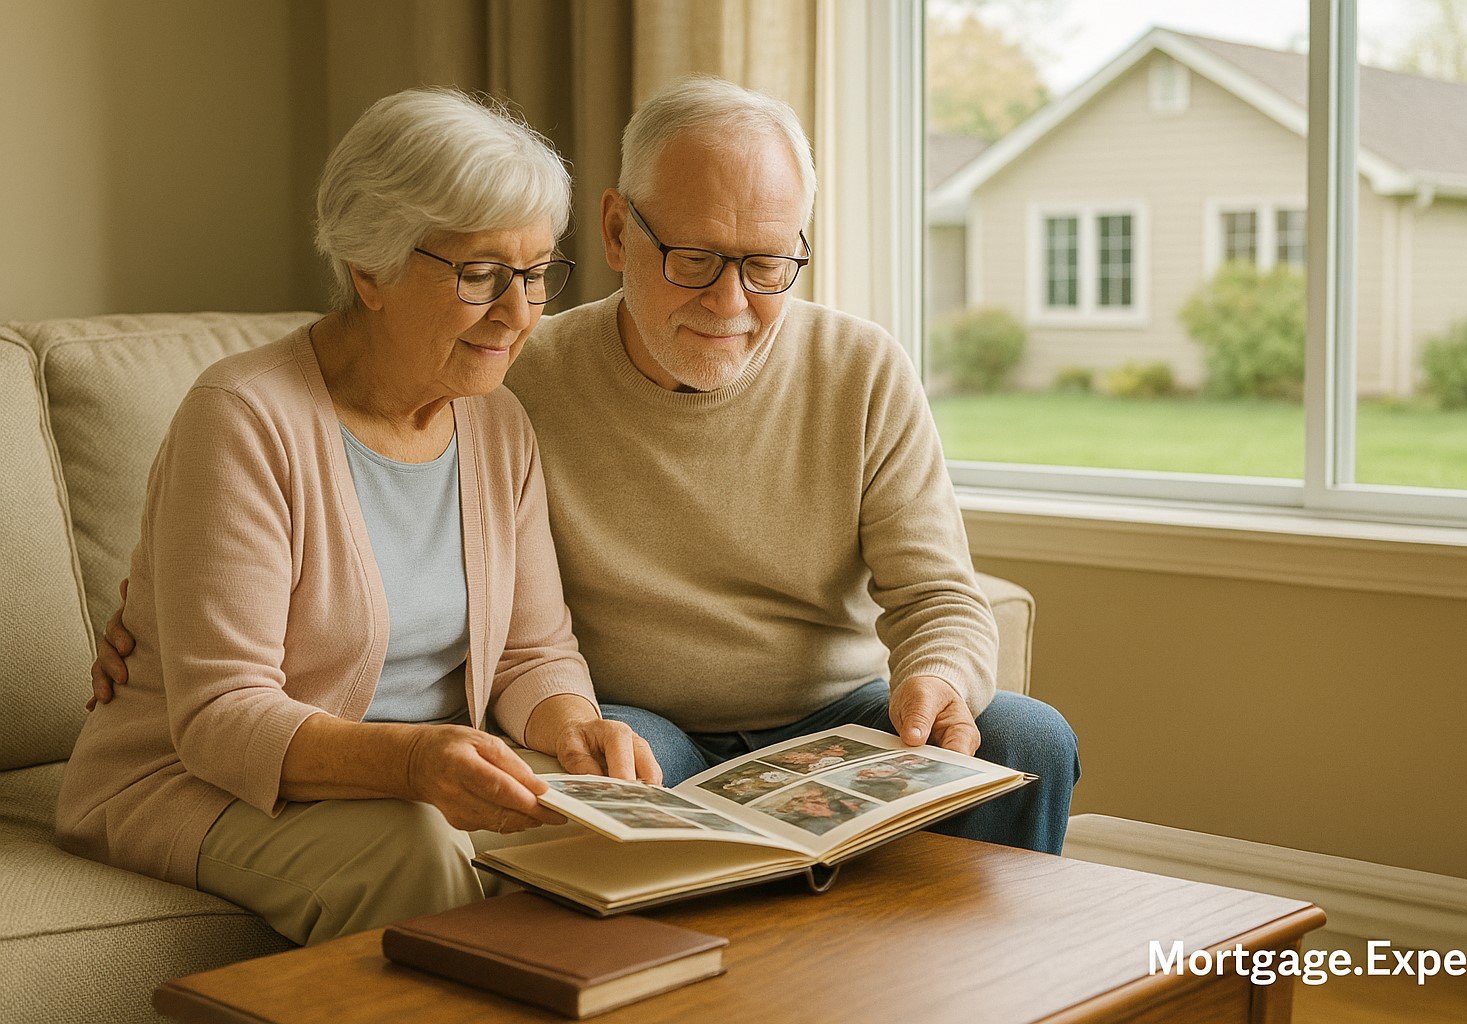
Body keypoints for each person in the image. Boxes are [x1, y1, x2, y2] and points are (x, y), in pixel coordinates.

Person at [92, 78, 1079, 855]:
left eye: (768, 261)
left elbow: (939, 593)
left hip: (834, 712)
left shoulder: (860, 367)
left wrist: (940, 679)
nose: (732, 299)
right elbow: (342, 489)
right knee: (622, 780)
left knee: (1029, 741)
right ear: (616, 230)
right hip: (636, 718)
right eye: (693, 256)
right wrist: (153, 604)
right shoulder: (515, 373)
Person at [59, 88, 659, 947]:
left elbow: (534, 651)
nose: (520, 313)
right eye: (480, 274)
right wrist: (413, 762)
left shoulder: (496, 422)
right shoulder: (244, 417)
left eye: (534, 273)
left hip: (416, 778)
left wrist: (579, 730)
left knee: (623, 845)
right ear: (370, 268)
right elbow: (222, 715)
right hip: (195, 781)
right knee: (406, 850)